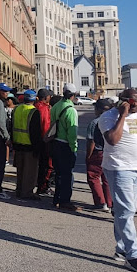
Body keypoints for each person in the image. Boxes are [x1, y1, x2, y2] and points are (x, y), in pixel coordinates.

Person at [99, 90, 137, 272]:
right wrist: (122, 115)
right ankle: (133, 255)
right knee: (126, 211)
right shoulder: (108, 117)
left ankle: (122, 248)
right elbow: (113, 140)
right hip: (118, 168)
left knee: (126, 211)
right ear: (123, 102)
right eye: (133, 101)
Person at [50, 83, 80, 212]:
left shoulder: (56, 106)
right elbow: (72, 133)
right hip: (65, 144)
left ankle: (57, 198)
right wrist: (74, 148)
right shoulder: (71, 110)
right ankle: (65, 201)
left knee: (58, 173)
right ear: (74, 95)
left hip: (55, 142)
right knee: (67, 174)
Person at [86, 98, 114, 212]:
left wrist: (88, 155)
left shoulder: (94, 122)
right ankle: (109, 202)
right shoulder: (112, 121)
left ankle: (100, 202)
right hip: (108, 152)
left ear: (98, 110)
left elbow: (91, 141)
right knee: (106, 178)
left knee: (93, 177)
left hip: (97, 152)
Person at [12, 90, 39, 200]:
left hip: (17, 143)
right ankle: (27, 192)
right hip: (29, 145)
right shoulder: (34, 112)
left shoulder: (16, 109)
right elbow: (35, 132)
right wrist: (37, 147)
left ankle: (19, 189)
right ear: (34, 99)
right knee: (30, 171)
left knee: (20, 169)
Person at [33, 89, 54, 195]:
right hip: (44, 141)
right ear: (46, 97)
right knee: (47, 165)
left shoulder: (35, 106)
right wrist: (48, 139)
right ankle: (43, 186)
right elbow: (45, 125)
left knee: (39, 165)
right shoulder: (44, 108)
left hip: (34, 140)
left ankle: (39, 185)